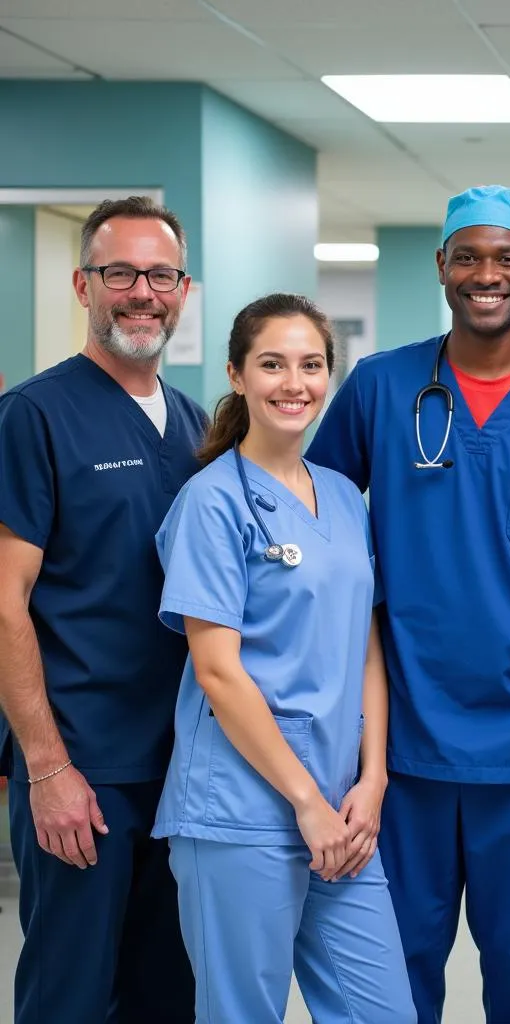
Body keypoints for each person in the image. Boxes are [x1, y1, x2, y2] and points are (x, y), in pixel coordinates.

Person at [306, 185, 510, 1023]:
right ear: (441, 266)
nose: (488, 274)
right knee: (399, 969)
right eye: (469, 257)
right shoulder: (380, 387)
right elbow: (325, 525)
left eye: (507, 258)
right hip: (404, 740)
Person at [152, 293, 415, 1023]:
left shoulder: (341, 494)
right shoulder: (213, 502)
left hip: (343, 809)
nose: (292, 383)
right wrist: (306, 802)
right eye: (272, 364)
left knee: (383, 1011)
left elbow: (364, 640)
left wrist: (374, 776)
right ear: (237, 375)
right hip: (241, 811)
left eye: (310, 365)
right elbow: (216, 670)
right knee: (243, 1013)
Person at [0, 197, 202, 1023]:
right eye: (120, 273)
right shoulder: (34, 415)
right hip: (84, 769)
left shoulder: (196, 425)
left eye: (160, 274)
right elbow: (4, 602)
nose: (141, 292)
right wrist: (46, 768)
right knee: (71, 995)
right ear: (84, 283)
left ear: (184, 290)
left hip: (184, 773)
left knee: (167, 994)